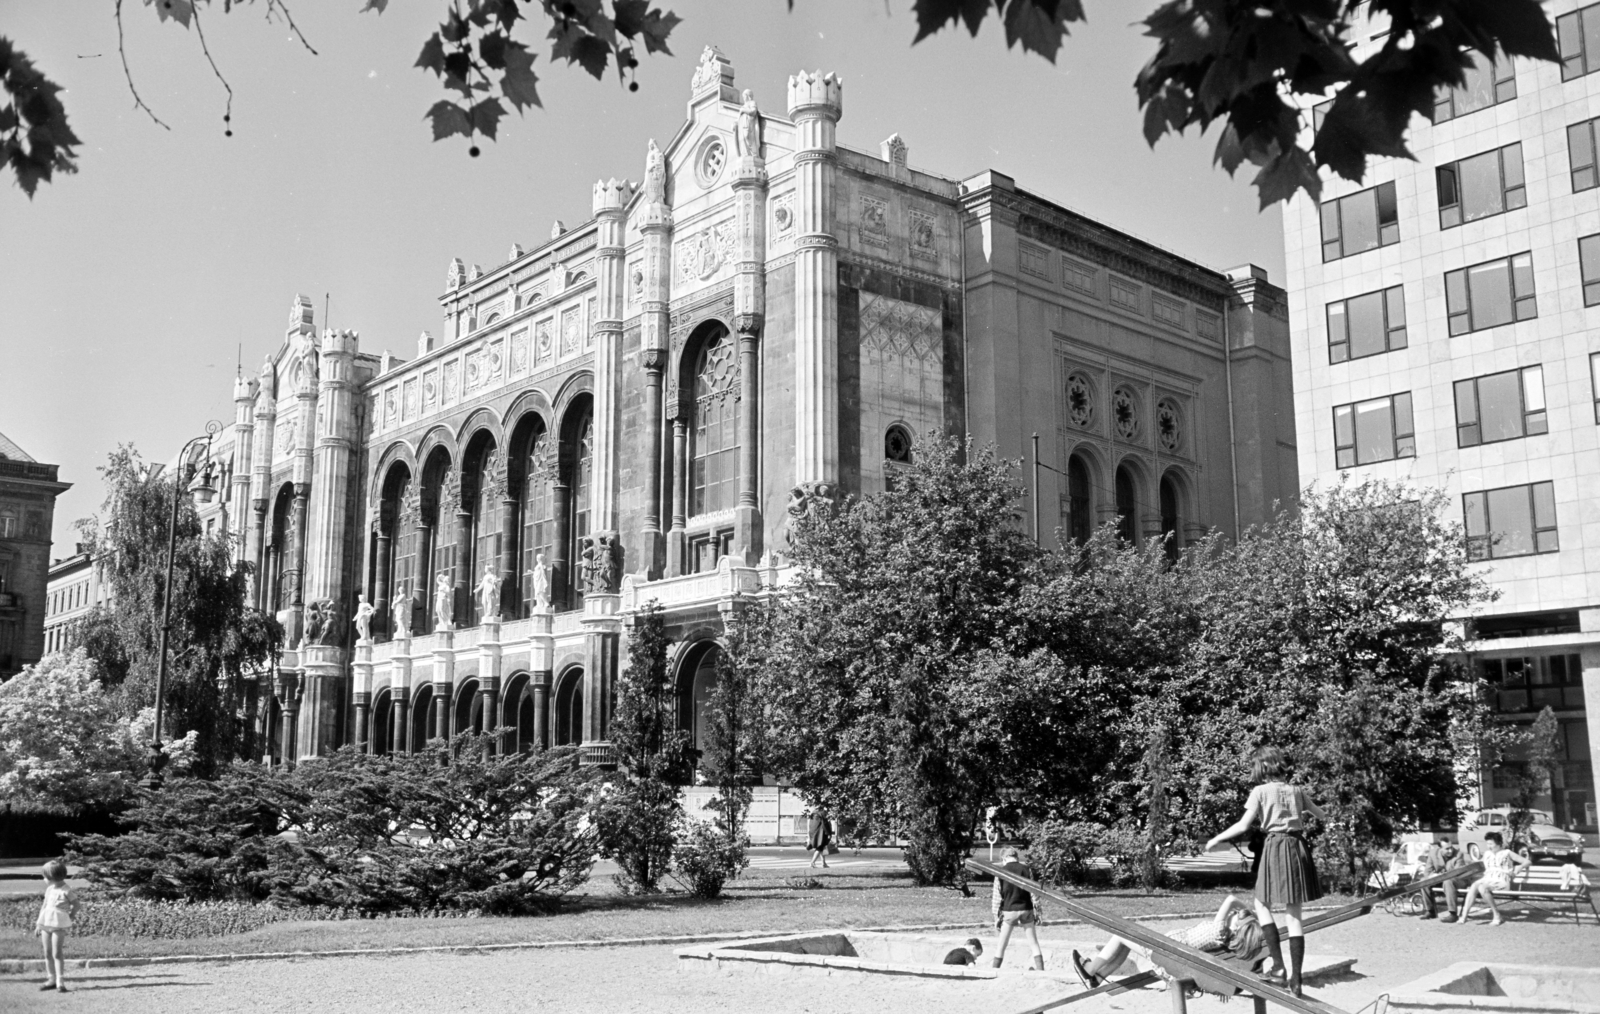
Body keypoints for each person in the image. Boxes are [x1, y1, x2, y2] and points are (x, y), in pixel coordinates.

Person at [1204, 746, 1326, 996]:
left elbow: (1243, 824)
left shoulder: (1259, 791)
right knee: (1294, 915)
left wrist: (1215, 839)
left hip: (1275, 847)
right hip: (1298, 848)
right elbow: (1321, 814)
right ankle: (1296, 979)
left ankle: (1279, 968)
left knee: (1262, 904)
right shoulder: (1297, 790)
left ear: (1263, 767)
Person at [1071, 894, 1273, 989]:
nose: (1233, 913)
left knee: (1121, 934)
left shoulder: (1219, 930)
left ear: (1237, 926)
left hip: (1164, 953)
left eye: (1237, 915)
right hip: (1170, 955)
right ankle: (1096, 978)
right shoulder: (1225, 939)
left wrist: (1251, 912)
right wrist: (1250, 919)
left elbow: (1230, 899)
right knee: (1125, 941)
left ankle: (1090, 970)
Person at [989, 846, 1045, 971]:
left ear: (1004, 858)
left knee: (1001, 945)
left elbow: (997, 898)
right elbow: (1033, 893)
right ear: (1016, 857)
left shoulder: (1000, 872)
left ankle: (994, 969)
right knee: (1034, 943)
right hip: (1026, 909)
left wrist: (995, 917)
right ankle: (1041, 970)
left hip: (1009, 911)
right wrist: (1039, 912)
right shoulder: (1026, 870)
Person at [1457, 832, 1530, 926]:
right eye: (1487, 844)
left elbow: (1527, 862)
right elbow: (1481, 863)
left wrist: (1518, 869)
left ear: (1499, 843)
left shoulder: (1507, 853)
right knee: (1475, 885)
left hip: (1501, 880)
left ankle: (1497, 915)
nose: (1489, 846)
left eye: (1491, 844)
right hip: (1487, 879)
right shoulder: (1487, 854)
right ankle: (1464, 916)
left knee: (1482, 887)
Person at [35, 859, 76, 992]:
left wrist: (70, 916)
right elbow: (44, 906)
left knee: (57, 953)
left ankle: (60, 981)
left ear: (52, 877)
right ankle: (51, 979)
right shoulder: (49, 889)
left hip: (59, 924)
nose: (44, 879)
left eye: (45, 877)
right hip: (46, 923)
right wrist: (38, 924)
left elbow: (77, 905)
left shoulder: (66, 890)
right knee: (47, 952)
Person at [1419, 840, 1470, 922]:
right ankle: (1430, 911)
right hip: (1441, 880)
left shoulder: (1458, 854)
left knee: (1448, 882)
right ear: (1440, 849)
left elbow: (1456, 873)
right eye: (1447, 849)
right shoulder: (1433, 854)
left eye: (1451, 848)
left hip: (1458, 880)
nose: (1450, 851)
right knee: (1424, 881)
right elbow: (1427, 872)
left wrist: (1441, 875)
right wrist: (1432, 876)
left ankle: (1453, 914)